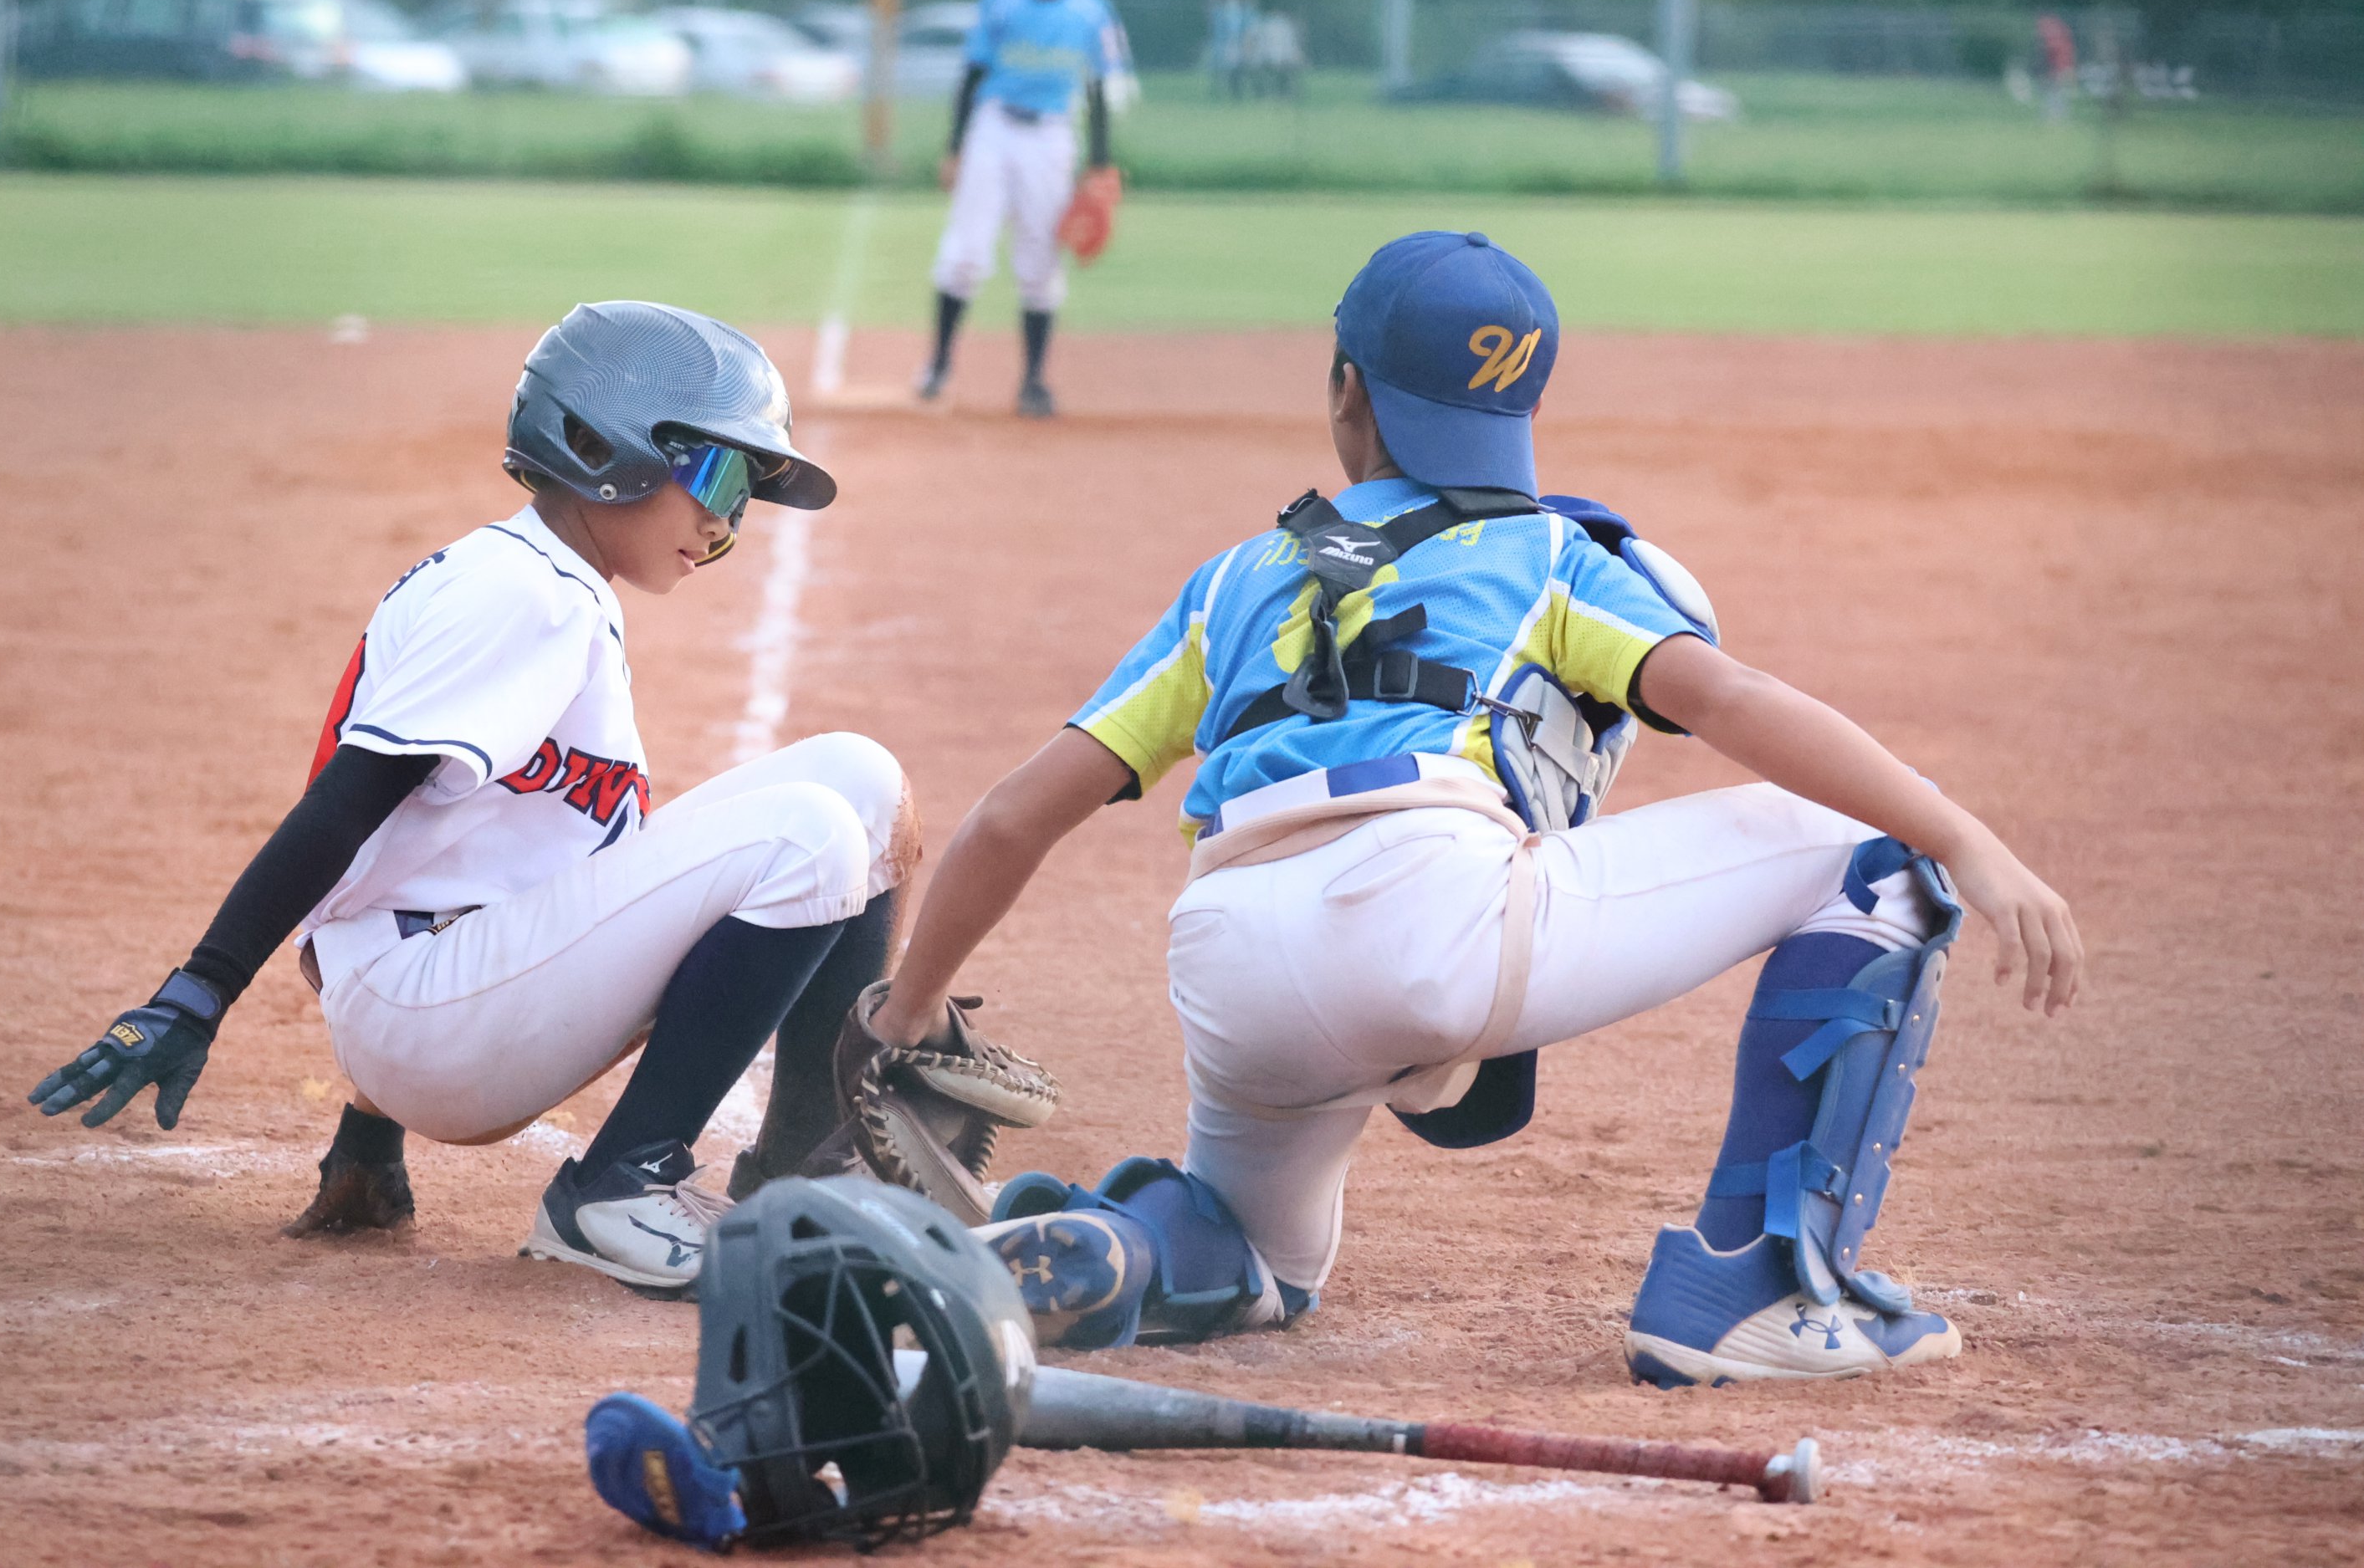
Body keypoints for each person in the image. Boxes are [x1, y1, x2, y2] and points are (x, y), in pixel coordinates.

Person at [869, 232, 2085, 1383]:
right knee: (1877, 846)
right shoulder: (1548, 554)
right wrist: (1959, 834)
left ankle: (1120, 1248)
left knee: (1262, 1258)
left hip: (1229, 955)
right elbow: (1729, 697)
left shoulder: (1233, 578)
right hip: (1431, 905)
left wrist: (908, 1011)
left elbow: (1014, 817)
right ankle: (1758, 1290)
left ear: (1345, 390)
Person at [29, 304, 919, 1295]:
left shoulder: (545, 579)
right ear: (603, 447)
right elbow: (352, 801)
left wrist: (367, 1129)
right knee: (810, 837)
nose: (725, 522)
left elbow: (453, 855)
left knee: (861, 780)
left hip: (451, 988)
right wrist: (198, 991)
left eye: (744, 498)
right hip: (431, 1013)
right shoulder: (523, 592)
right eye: (715, 478)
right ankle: (616, 1190)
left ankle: (798, 1174)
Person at [919, 0, 1128, 421]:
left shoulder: (1093, 11)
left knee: (1040, 260)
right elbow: (971, 76)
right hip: (993, 129)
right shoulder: (1000, 1)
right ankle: (938, 365)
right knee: (965, 253)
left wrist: (1099, 163)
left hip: (1053, 137)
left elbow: (1098, 91)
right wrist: (954, 148)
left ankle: (1034, 380)